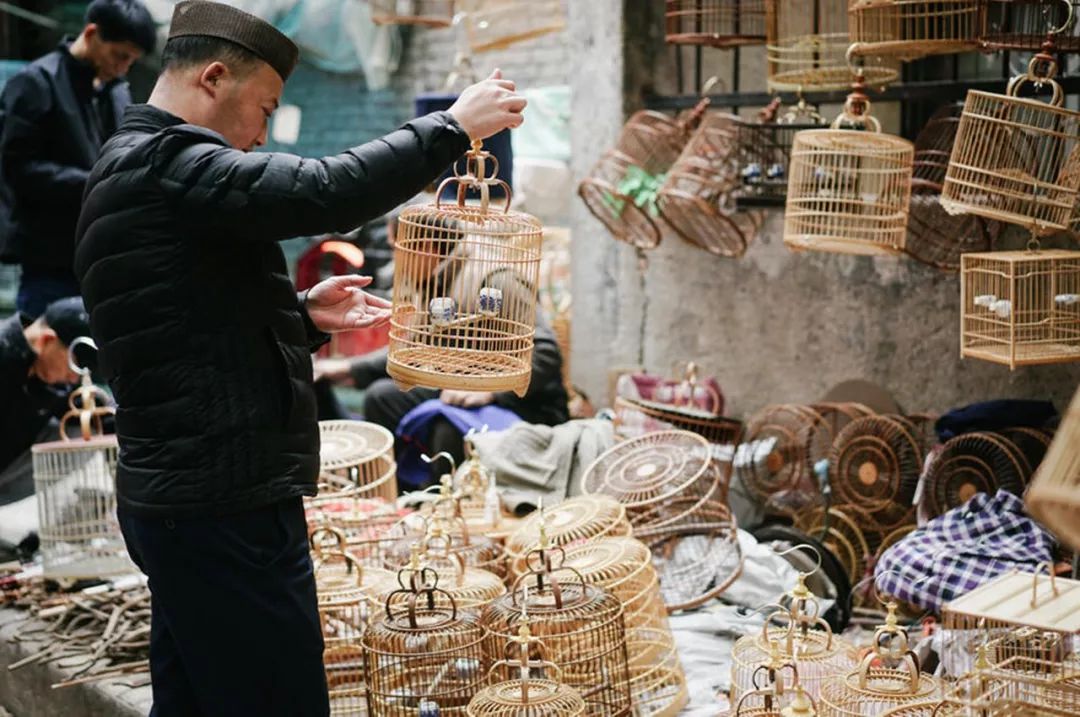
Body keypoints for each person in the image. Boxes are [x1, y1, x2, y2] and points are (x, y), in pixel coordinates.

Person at [73, 1, 525, 714]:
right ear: (213, 78)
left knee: (193, 701)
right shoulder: (168, 161)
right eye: (263, 110)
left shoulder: (133, 167)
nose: (260, 136)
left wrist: (301, 313)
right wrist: (451, 127)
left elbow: (187, 321)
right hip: (222, 503)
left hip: (184, 499)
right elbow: (323, 190)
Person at [0, 0, 155, 318]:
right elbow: (17, 169)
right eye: (119, 56)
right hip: (50, 258)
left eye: (131, 61)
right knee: (45, 344)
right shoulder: (36, 83)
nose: (123, 68)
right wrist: (96, 183)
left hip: (101, 258)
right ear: (91, 33)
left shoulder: (116, 92)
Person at [0, 297, 97, 510]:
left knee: (86, 428)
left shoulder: (50, 379)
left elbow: (99, 413)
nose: (73, 378)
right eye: (73, 367)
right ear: (46, 340)